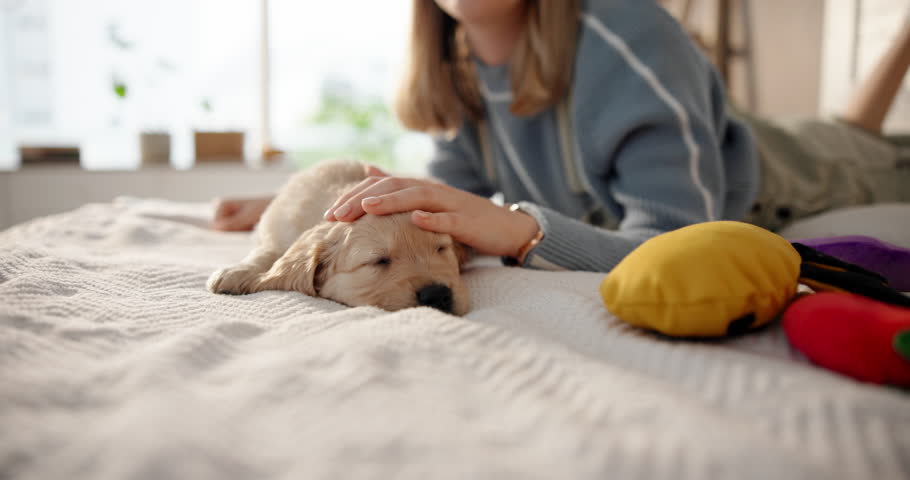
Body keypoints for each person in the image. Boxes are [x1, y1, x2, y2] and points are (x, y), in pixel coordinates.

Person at [212, 0, 910, 272]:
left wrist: (522, 230)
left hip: (796, 176)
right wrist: (308, 204)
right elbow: (445, 191)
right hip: (765, 136)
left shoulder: (631, 39)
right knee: (848, 124)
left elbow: (678, 241)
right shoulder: (458, 71)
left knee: (860, 145)